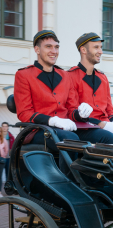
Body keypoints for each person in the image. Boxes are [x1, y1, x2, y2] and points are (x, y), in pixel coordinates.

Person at [13, 30, 84, 174]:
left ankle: (95, 187)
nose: (54, 51)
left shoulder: (65, 75)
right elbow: (24, 113)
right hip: (39, 131)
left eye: (56, 47)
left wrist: (81, 113)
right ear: (37, 50)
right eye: (48, 46)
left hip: (65, 130)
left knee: (102, 138)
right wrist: (52, 120)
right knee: (71, 140)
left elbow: (71, 109)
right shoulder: (24, 75)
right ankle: (66, 185)